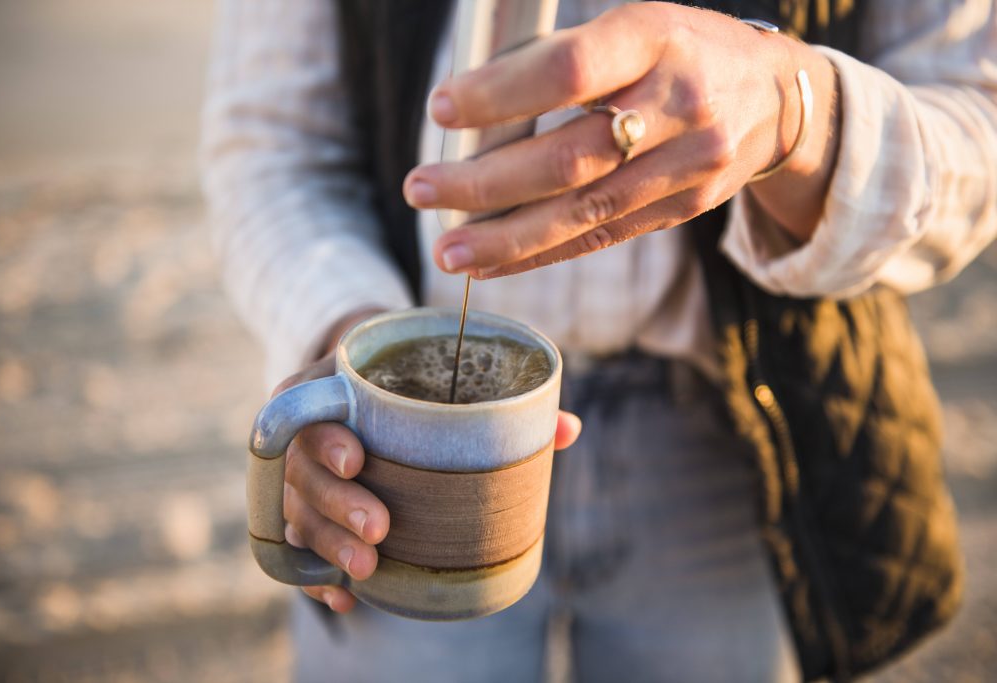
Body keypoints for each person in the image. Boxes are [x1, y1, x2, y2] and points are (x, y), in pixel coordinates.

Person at [202, 0, 997, 680]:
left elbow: (976, 123)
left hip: (738, 457)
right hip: (406, 468)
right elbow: (275, 146)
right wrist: (347, 345)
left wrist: (793, 109)